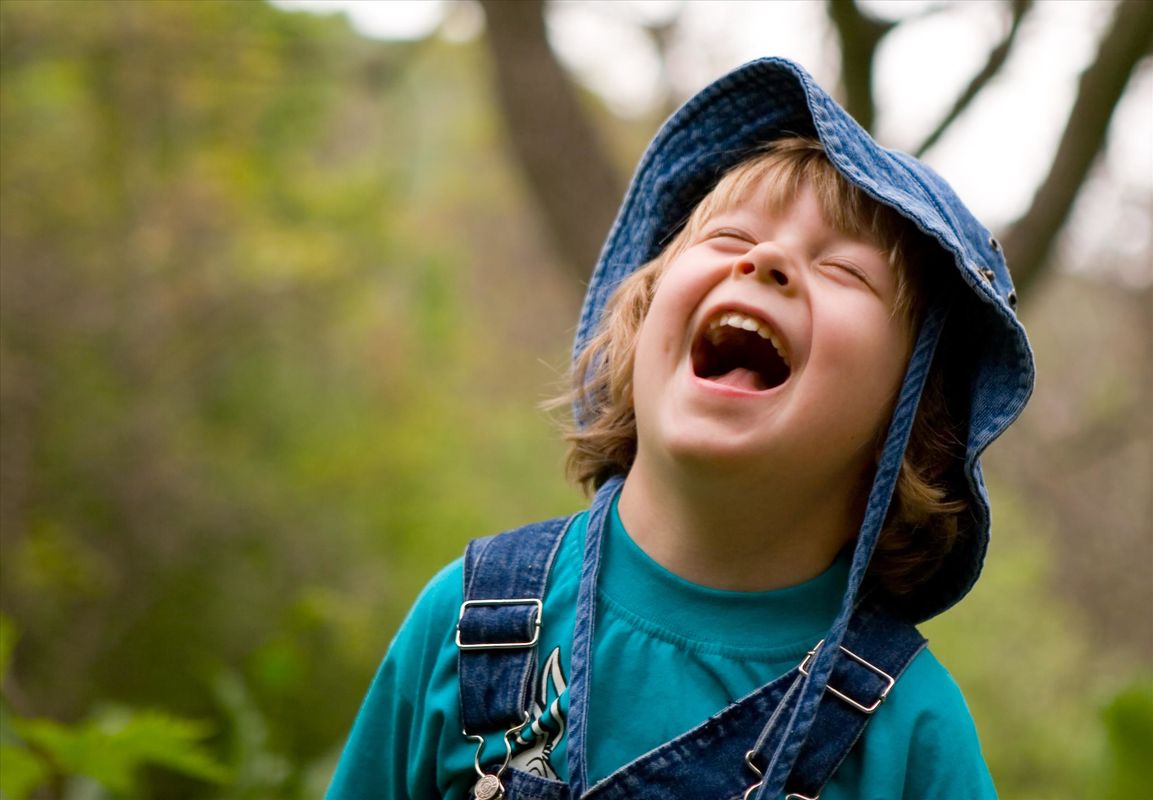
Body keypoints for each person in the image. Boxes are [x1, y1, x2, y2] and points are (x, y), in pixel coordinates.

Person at [327, 57, 1033, 800]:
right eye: (729, 237)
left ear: (912, 425)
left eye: (845, 271)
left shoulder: (909, 733)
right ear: (640, 324)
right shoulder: (471, 624)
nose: (766, 261)